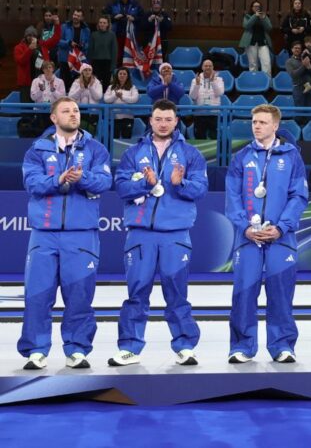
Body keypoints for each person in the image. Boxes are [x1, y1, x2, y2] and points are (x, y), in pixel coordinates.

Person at [109, 100, 208, 367]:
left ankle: (185, 346)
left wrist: (180, 183)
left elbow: (200, 189)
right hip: (141, 234)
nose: (163, 123)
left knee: (177, 293)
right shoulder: (133, 153)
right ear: (150, 121)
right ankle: (130, 347)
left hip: (175, 233)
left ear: (176, 121)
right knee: (136, 293)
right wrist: (146, 183)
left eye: (168, 119)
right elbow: (120, 186)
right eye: (158, 119)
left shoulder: (191, 154)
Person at [17, 98, 112, 370]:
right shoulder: (37, 150)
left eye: (76, 111)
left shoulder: (95, 149)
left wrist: (81, 178)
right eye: (66, 111)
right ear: (53, 118)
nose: (73, 115)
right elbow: (32, 183)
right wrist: (59, 180)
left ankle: (77, 349)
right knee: (37, 294)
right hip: (44, 234)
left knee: (80, 294)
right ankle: (36, 350)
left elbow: (105, 181)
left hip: (81, 234)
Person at [225, 105, 307, 364]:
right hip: (247, 237)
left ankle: (282, 345)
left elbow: (299, 195)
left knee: (281, 292)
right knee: (243, 292)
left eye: (262, 122)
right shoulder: (241, 157)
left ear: (275, 126)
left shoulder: (291, 156)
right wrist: (245, 227)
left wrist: (282, 227)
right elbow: (233, 196)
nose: (256, 126)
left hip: (280, 237)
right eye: (254, 122)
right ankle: (241, 346)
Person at [240, 1, 273, 74]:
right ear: (252, 8)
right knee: (253, 64)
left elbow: (269, 28)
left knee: (266, 63)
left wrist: (263, 19)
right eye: (255, 6)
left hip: (263, 42)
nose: (257, 8)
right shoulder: (247, 16)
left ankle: (267, 83)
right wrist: (255, 16)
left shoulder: (264, 16)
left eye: (258, 6)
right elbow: (246, 26)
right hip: (251, 42)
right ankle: (254, 82)